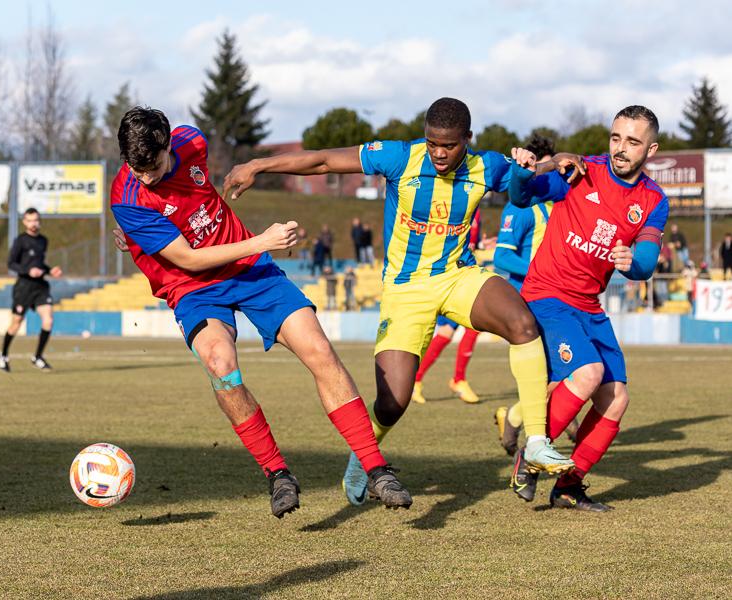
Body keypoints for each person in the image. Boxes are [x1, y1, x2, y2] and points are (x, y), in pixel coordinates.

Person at [224, 97, 576, 508]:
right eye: (432, 144)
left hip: (458, 276)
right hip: (406, 291)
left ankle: (534, 440)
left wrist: (565, 159)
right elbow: (323, 162)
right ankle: (363, 457)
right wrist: (258, 164)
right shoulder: (400, 157)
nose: (439, 154)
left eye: (449, 145)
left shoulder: (487, 166)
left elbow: (537, 181)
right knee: (392, 403)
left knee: (523, 323)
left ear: (468, 140)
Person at [110, 106, 411, 518]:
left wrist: (250, 171)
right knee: (219, 362)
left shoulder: (191, 141)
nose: (146, 177)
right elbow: (187, 259)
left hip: (251, 273)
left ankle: (376, 469)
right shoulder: (126, 197)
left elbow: (194, 191)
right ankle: (277, 474)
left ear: (167, 144)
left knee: (319, 350)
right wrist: (263, 241)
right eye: (136, 168)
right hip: (193, 285)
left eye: (155, 166)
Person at [507, 105, 669, 512]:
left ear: (651, 150)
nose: (620, 148)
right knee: (589, 372)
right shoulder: (581, 172)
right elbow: (521, 196)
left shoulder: (653, 199)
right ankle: (529, 454)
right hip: (547, 294)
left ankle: (568, 486)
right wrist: (525, 171)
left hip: (588, 306)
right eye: (616, 138)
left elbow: (647, 261)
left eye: (632, 142)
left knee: (616, 399)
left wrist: (635, 263)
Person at [492, 134, 578, 455]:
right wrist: (541, 269)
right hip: (527, 300)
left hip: (556, 295)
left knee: (559, 369)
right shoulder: (521, 207)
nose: (556, 170)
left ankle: (514, 417)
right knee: (559, 368)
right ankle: (530, 422)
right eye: (549, 165)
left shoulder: (556, 204)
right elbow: (501, 257)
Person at [411, 210, 484, 405]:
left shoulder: (476, 210)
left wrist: (484, 245)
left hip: (465, 275)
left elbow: (470, 244)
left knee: (472, 326)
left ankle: (455, 379)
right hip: (447, 277)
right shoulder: (453, 203)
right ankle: (418, 381)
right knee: (446, 332)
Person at [0, 207, 63, 373]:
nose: (34, 223)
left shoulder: (43, 241)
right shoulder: (21, 240)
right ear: (25, 222)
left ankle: (38, 357)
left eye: (36, 220)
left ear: (39, 221)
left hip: (40, 287)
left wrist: (49, 271)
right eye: (30, 220)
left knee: (48, 320)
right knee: (16, 323)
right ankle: (3, 355)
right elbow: (11, 263)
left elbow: (40, 265)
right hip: (24, 287)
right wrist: (28, 271)